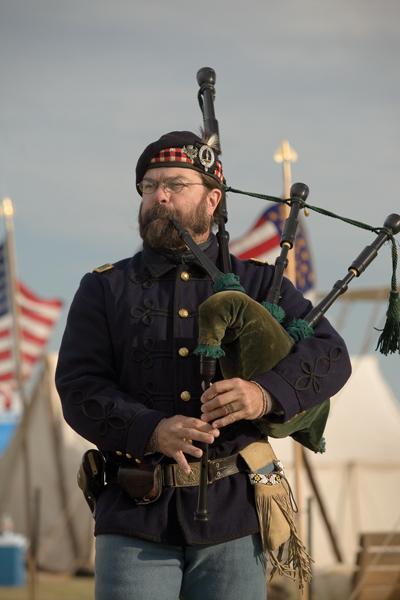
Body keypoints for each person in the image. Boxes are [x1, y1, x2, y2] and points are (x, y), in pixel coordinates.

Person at [55, 131, 352, 600]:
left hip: (235, 518)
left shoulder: (260, 283)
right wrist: (151, 429)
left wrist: (264, 393)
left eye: (175, 184)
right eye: (149, 186)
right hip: (136, 514)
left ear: (213, 199)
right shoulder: (105, 289)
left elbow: (331, 354)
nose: (160, 196)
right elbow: (78, 387)